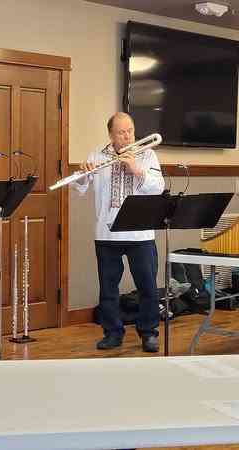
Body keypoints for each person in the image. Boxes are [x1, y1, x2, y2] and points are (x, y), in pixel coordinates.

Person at [73, 112, 165, 353]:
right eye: (121, 132)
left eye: (130, 131)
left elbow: (158, 188)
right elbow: (80, 188)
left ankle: (149, 333)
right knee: (108, 288)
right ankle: (112, 333)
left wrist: (136, 169)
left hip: (140, 235)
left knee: (147, 286)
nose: (127, 136)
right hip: (107, 233)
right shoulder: (97, 155)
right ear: (111, 135)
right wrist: (83, 174)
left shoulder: (148, 154)